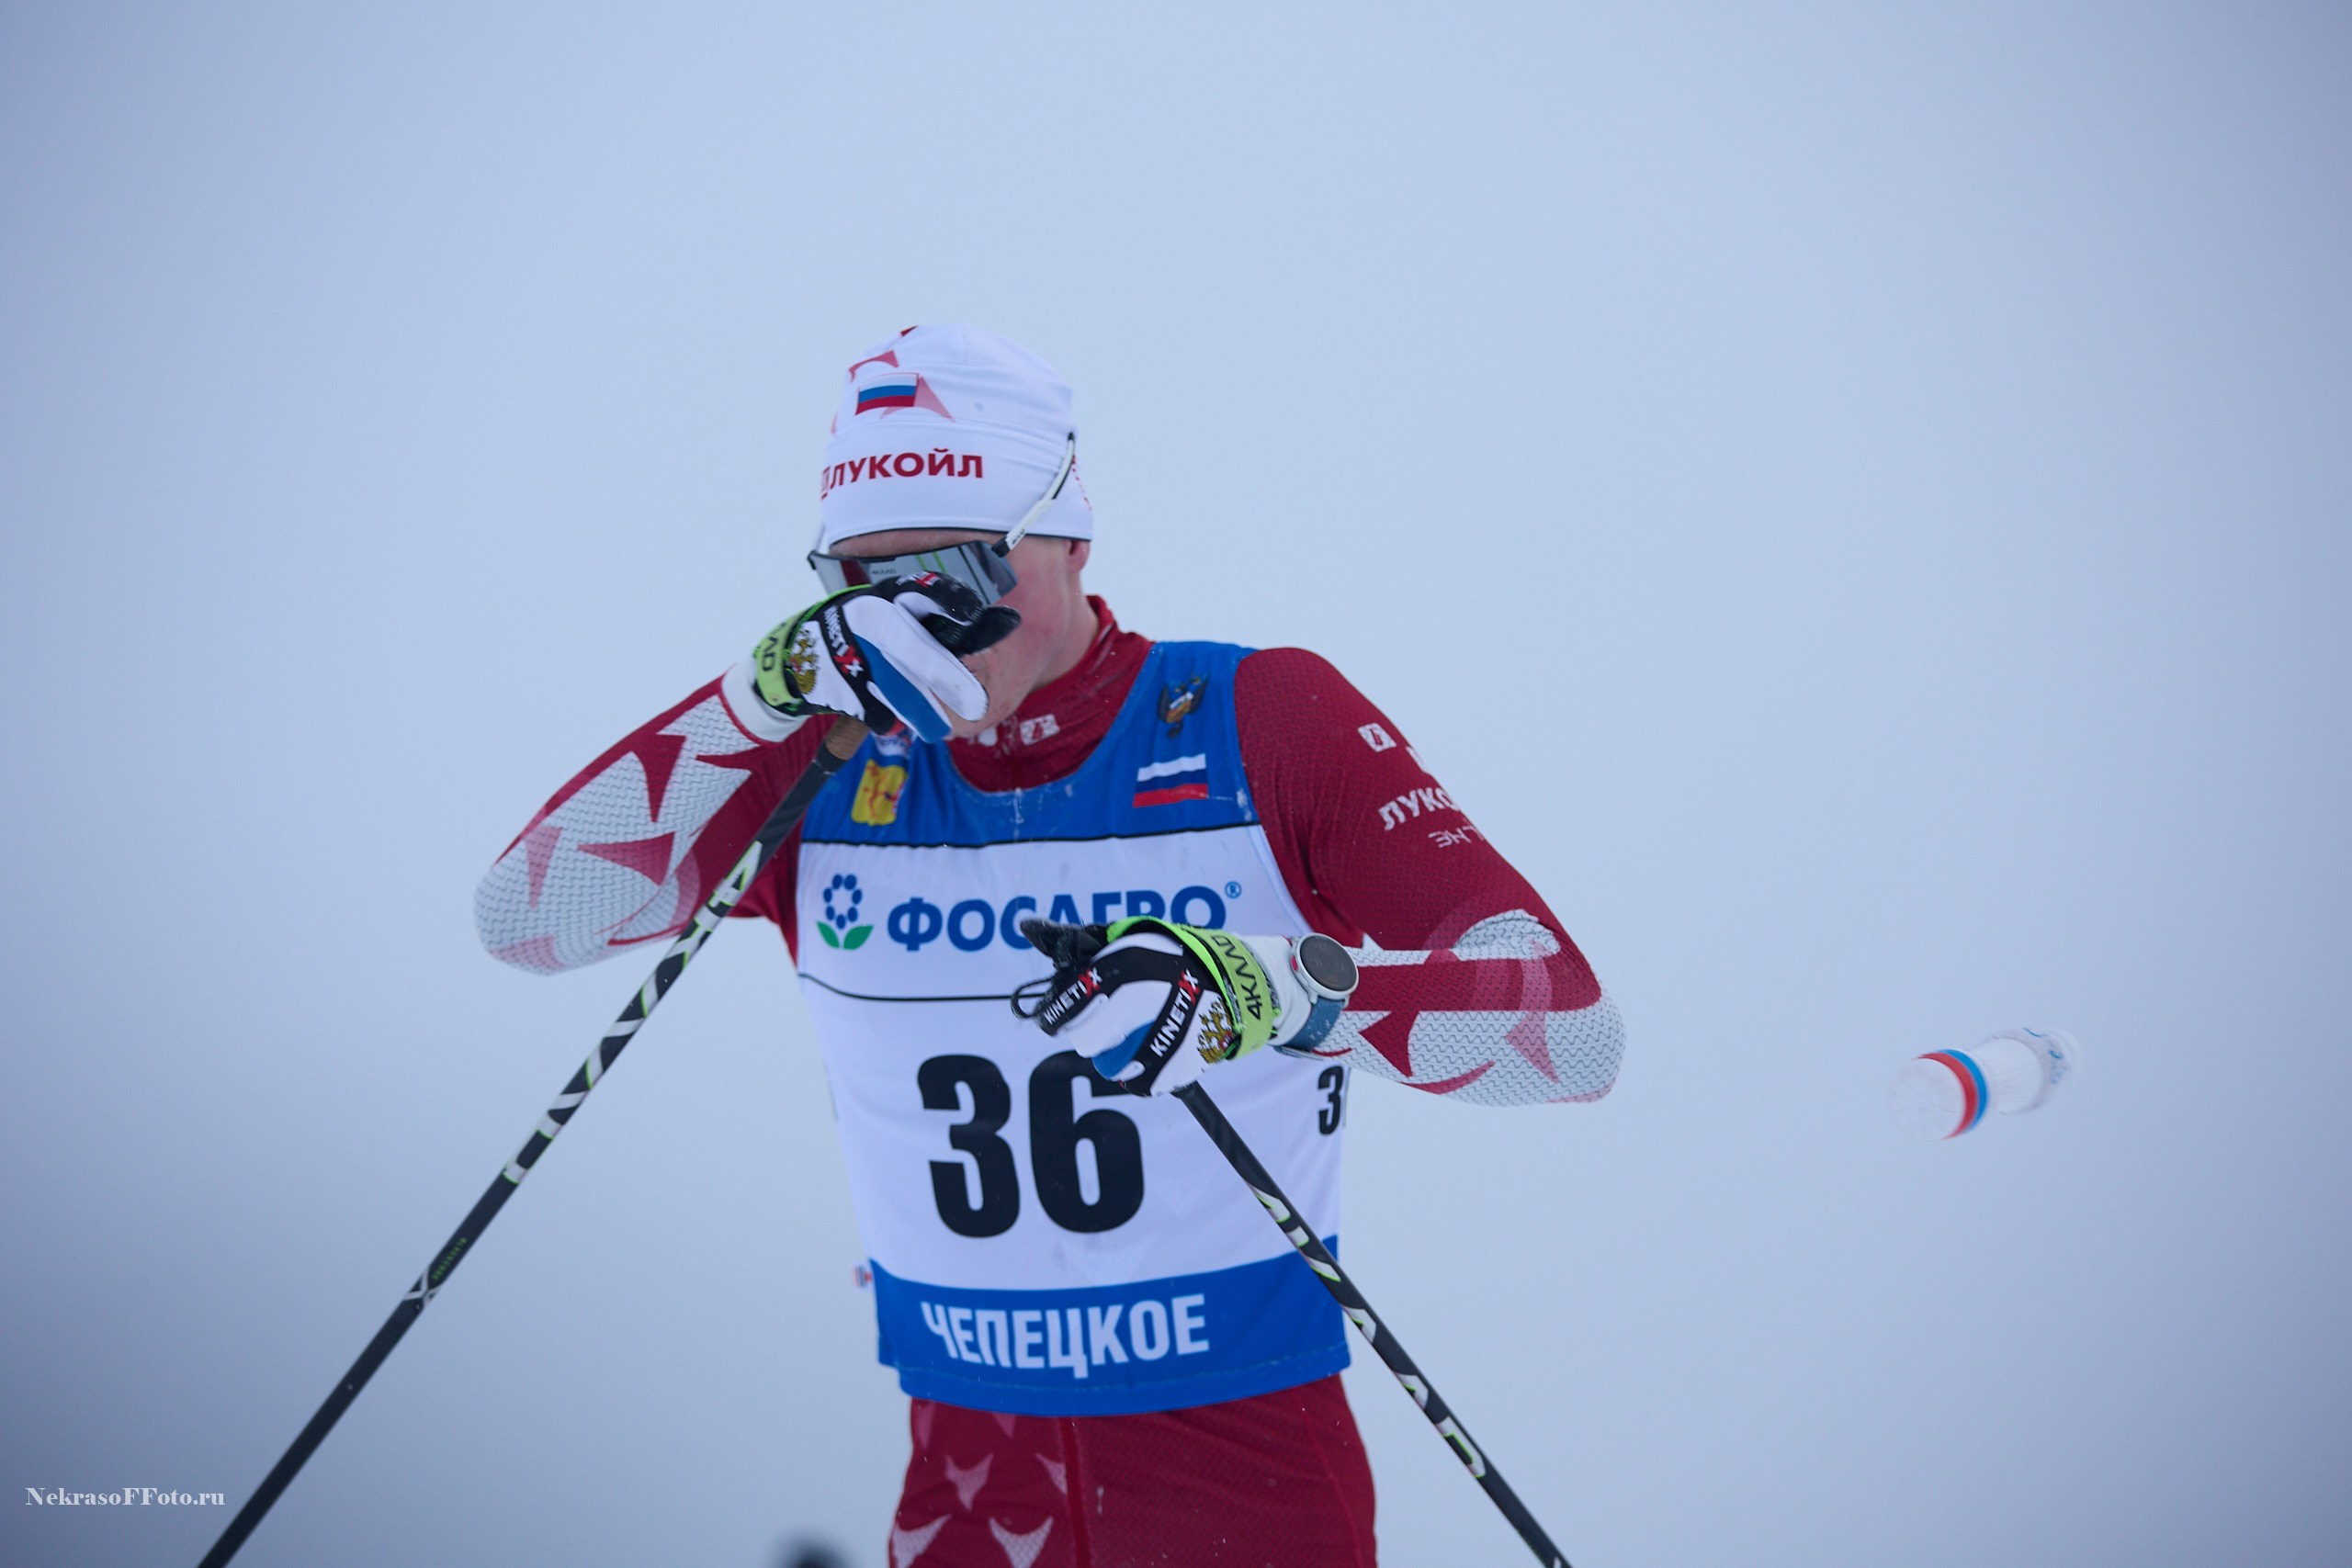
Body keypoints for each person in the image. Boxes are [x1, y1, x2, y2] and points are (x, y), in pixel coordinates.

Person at [475, 324, 1624, 1568]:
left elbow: (1568, 1031)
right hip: (973, 1478)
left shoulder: (1264, 720)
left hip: (1244, 1464)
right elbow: (529, 923)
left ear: (1070, 535)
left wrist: (1288, 991)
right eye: (866, 587)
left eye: (961, 571)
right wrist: (759, 698)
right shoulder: (824, 762)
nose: (924, 629)